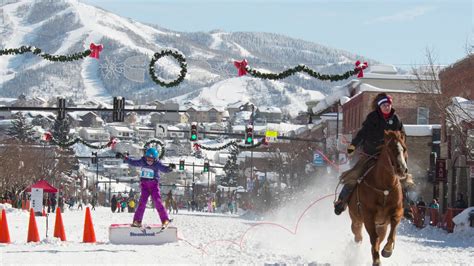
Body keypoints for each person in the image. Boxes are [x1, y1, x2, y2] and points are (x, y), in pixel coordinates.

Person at [334, 93, 408, 215]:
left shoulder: (396, 119)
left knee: (404, 177)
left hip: (391, 156)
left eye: (388, 104)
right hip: (371, 154)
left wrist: (402, 150)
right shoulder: (372, 117)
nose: (387, 107)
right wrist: (353, 145)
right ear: (379, 106)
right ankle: (341, 201)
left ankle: (407, 206)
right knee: (354, 175)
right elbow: (362, 133)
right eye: (384, 105)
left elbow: (403, 136)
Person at [122, 147, 175, 227]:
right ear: (145, 157)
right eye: (148, 159)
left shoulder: (157, 164)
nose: (149, 161)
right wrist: (125, 158)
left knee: (158, 202)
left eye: (151, 159)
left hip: (154, 185)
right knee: (142, 202)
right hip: (145, 186)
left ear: (155, 159)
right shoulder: (142, 161)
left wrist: (169, 168)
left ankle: (165, 220)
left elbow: (164, 169)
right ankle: (137, 221)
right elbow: (133, 162)